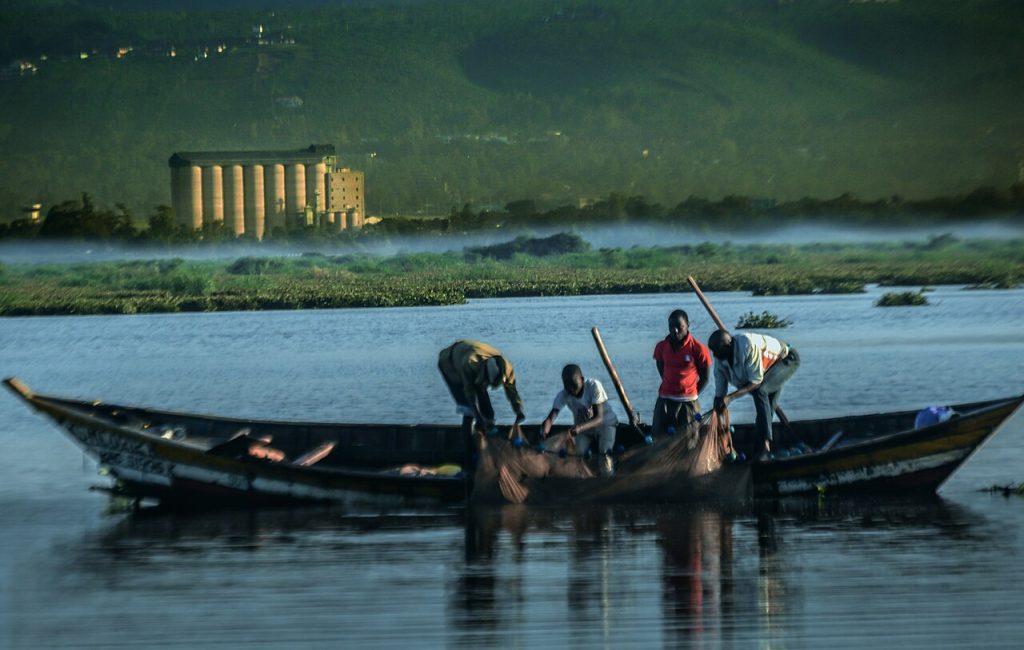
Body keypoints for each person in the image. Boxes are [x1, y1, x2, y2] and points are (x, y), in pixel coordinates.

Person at [708, 329, 800, 460]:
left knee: (761, 392)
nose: (715, 355)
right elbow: (720, 392)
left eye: (717, 351)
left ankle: (765, 449)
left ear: (728, 347)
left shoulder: (748, 346)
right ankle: (761, 448)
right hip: (764, 371)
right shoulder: (720, 360)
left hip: (785, 360)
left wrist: (730, 398)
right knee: (767, 409)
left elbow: (755, 383)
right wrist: (718, 404)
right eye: (713, 352)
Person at [438, 340, 525, 463]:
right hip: (450, 365)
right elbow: (470, 396)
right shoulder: (469, 363)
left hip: (475, 369)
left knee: (489, 413)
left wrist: (518, 410)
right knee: (468, 411)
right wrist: (478, 418)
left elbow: (512, 391)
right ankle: (469, 455)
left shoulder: (507, 369)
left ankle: (485, 446)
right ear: (484, 375)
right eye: (488, 382)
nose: (488, 386)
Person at [540, 364, 618, 476]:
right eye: (567, 386)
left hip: (605, 424)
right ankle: (583, 479)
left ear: (581, 379)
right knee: (577, 455)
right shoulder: (564, 395)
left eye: (574, 385)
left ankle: (608, 477)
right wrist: (545, 429)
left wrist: (579, 427)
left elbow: (599, 418)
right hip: (584, 431)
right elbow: (551, 417)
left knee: (604, 452)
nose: (571, 390)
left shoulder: (593, 386)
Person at [652, 310, 712, 443]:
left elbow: (705, 378)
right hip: (665, 399)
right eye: (671, 327)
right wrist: (670, 385)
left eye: (679, 327)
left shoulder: (698, 349)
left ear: (688, 325)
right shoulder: (661, 347)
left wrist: (691, 393)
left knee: (688, 440)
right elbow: (661, 367)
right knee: (659, 437)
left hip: (688, 402)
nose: (675, 331)